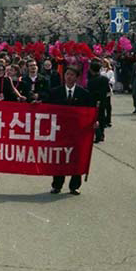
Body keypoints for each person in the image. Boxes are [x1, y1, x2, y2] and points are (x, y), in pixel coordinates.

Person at [48, 66, 93, 195]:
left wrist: (94, 123)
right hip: (59, 132)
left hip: (78, 132)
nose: (69, 77)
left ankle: (74, 186)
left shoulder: (84, 94)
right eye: (67, 74)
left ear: (77, 77)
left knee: (76, 158)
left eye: (72, 75)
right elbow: (47, 109)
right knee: (59, 158)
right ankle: (57, 185)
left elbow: (90, 112)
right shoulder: (55, 92)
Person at [86, 59, 111, 143]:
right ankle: (102, 134)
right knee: (101, 117)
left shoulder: (91, 81)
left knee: (94, 119)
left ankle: (98, 135)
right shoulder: (105, 79)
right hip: (103, 100)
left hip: (94, 101)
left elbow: (89, 93)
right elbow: (108, 90)